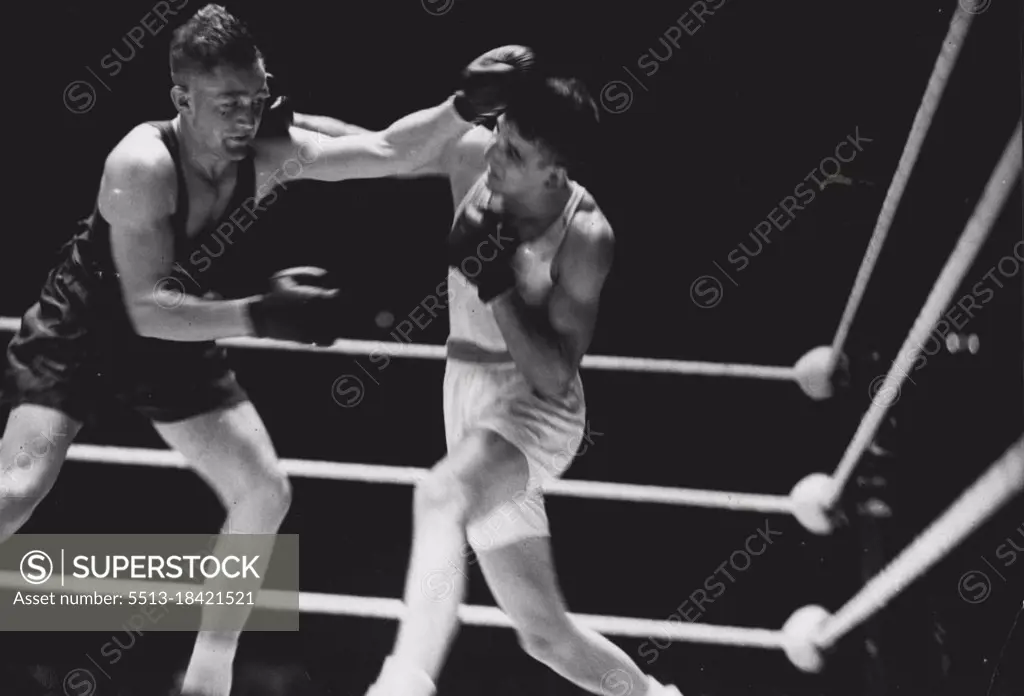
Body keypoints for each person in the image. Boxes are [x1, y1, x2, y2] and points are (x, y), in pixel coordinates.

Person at [0, 5, 517, 696]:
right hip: (89, 330)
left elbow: (391, 151)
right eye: (227, 104)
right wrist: (262, 315)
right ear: (182, 99)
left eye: (256, 97)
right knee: (17, 489)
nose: (247, 117)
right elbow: (144, 309)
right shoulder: (140, 163)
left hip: (180, 329)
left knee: (263, 492)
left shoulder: (270, 155)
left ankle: (208, 680)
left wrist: (463, 106)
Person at [364, 52, 685, 696]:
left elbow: (553, 375)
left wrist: (497, 286)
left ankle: (404, 683)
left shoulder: (586, 235)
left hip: (535, 412)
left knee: (440, 497)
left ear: (553, 168)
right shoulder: (476, 158)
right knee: (543, 634)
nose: (493, 156)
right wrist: (283, 129)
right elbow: (384, 149)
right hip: (466, 398)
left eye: (513, 150)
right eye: (499, 136)